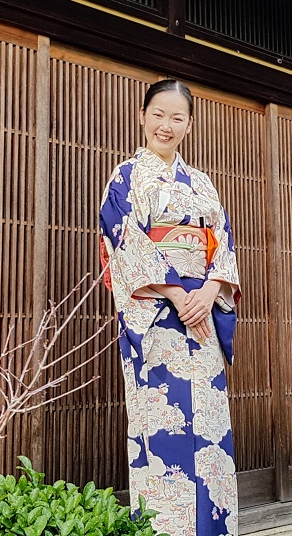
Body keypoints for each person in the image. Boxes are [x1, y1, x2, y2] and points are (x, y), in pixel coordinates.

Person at [99, 79, 241, 536]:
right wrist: (179, 294)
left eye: (177, 117)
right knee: (163, 424)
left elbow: (223, 240)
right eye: (158, 114)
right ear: (142, 116)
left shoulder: (201, 183)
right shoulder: (126, 177)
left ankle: (215, 528)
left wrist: (211, 288)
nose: (166, 124)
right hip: (158, 317)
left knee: (210, 427)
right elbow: (123, 240)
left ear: (189, 125)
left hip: (202, 318)